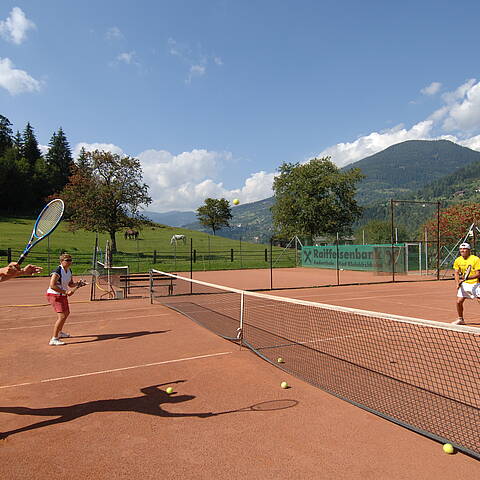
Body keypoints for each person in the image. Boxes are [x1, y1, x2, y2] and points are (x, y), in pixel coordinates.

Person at [46, 253, 86, 346]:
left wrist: (78, 284)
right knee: (62, 316)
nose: (69, 262)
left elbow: (70, 284)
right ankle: (54, 339)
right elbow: (52, 285)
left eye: (70, 260)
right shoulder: (58, 271)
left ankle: (59, 332)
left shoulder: (69, 270)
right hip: (54, 295)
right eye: (67, 260)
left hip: (62, 295)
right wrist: (65, 292)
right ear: (61, 261)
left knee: (67, 313)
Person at [452, 242, 480, 325]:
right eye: (461, 249)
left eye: (464, 249)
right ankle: (461, 319)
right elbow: (456, 273)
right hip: (465, 284)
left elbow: (478, 274)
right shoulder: (458, 260)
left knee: (479, 300)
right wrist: (457, 283)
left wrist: (467, 278)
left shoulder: (476, 259)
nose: (462, 250)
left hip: (476, 283)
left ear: (469, 250)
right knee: (459, 302)